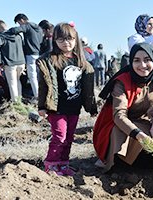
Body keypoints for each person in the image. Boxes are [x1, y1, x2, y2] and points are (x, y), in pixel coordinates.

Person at [36, 22, 97, 176]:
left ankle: (63, 164)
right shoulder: (50, 60)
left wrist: (91, 107)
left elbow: (88, 89)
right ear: (55, 41)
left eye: (70, 39)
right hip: (56, 107)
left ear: (75, 40)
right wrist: (42, 106)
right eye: (61, 39)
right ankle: (51, 164)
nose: (66, 43)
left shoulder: (81, 62)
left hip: (74, 107)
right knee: (59, 136)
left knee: (69, 137)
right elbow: (44, 86)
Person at [93, 43, 153, 173]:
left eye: (147, 60)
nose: (142, 65)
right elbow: (119, 116)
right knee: (118, 131)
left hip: (146, 123)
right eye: (137, 60)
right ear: (131, 62)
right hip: (120, 125)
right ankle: (118, 163)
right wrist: (139, 135)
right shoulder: (122, 82)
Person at [9, 13, 43, 100]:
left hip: (30, 55)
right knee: (39, 76)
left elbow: (16, 30)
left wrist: (7, 31)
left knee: (32, 77)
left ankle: (37, 96)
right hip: (38, 54)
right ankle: (41, 95)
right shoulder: (38, 28)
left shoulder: (27, 25)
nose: (19, 24)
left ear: (22, 20)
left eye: (19, 22)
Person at [0, 19, 26, 102]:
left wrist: (0, 62)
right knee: (18, 81)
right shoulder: (18, 35)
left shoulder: (1, 37)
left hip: (10, 64)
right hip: (21, 62)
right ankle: (20, 99)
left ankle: (16, 103)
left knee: (12, 83)